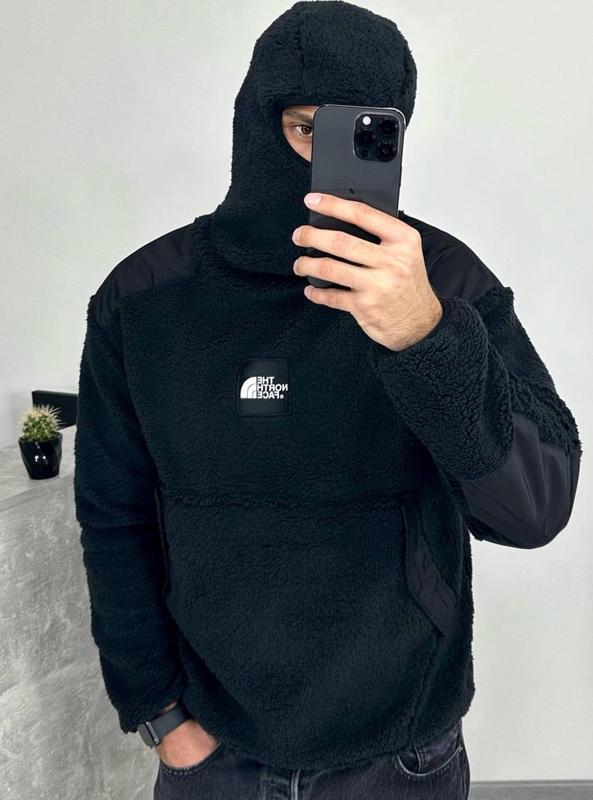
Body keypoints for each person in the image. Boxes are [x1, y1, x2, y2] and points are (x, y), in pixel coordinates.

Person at [73, 2, 582, 799]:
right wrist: (159, 714)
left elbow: (535, 510)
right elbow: (115, 516)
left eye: (362, 135)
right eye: (305, 128)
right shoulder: (145, 299)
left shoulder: (442, 283)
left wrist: (425, 337)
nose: (321, 161)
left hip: (400, 750)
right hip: (214, 752)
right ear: (252, 121)